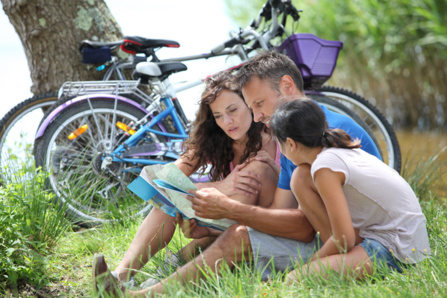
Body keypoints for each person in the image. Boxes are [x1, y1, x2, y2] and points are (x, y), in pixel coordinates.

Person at [94, 51, 384, 296]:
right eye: (221, 115)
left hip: (357, 241)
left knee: (239, 235)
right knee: (234, 231)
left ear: (286, 86)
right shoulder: (293, 132)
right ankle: (127, 278)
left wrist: (231, 210)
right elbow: (283, 213)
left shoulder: (310, 134)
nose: (256, 117)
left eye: (256, 105)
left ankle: (144, 294)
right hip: (334, 232)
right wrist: (214, 223)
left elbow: (307, 228)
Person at [92, 69, 280, 291]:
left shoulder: (276, 138)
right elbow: (157, 183)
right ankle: (121, 276)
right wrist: (220, 185)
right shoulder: (216, 139)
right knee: (166, 202)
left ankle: (163, 275)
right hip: (223, 224)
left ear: (249, 104)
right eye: (218, 116)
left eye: (232, 110)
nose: (227, 122)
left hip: (259, 226)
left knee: (251, 174)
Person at [268, 99, 430, 281]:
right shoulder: (334, 150)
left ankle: (347, 261)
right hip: (401, 236)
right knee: (299, 177)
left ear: (290, 144)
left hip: (397, 247)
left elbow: (344, 239)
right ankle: (345, 259)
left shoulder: (324, 167)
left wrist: (311, 262)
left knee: (295, 279)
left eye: (279, 145)